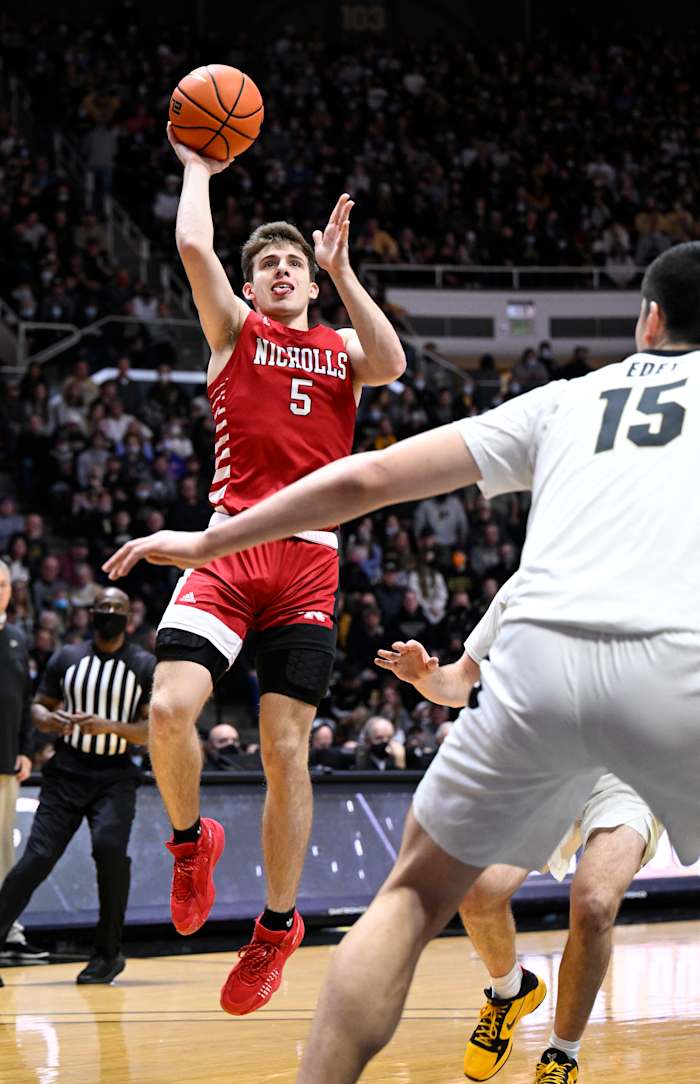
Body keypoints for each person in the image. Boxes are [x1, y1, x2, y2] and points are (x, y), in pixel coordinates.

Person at [106, 241, 700, 1081]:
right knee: (509, 895)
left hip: (542, 664)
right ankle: (510, 997)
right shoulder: (253, 340)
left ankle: (526, 1048)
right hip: (675, 675)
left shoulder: (569, 400)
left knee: (414, 895)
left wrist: (205, 539)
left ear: (648, 320)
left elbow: (369, 476)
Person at [119, 125, 405, 1016]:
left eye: (294, 263)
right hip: (230, 546)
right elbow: (193, 243)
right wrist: (200, 168)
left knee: (287, 752)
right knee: (168, 710)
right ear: (250, 287)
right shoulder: (234, 331)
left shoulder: (340, 352)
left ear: (311, 282)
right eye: (269, 263)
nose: (282, 270)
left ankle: (275, 927)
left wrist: (344, 270)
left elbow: (392, 363)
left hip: (308, 566)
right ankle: (186, 838)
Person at [376, 572, 662, 1082]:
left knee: (594, 904)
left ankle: (561, 1055)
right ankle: (511, 990)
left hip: (631, 774)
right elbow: (463, 681)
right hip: (547, 766)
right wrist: (423, 677)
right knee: (478, 891)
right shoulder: (528, 584)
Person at [0, 588, 153, 984]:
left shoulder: (143, 664)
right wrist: (48, 719)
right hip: (66, 770)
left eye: (116, 610)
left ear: (128, 620)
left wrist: (110, 727)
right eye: (102, 609)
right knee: (37, 857)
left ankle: (107, 954)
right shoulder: (67, 656)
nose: (109, 615)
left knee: (109, 851)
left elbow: (150, 731)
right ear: (90, 614)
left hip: (115, 776)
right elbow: (38, 706)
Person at [0, 561, 45, 963]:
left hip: (6, 764)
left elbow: (25, 700)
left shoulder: (16, 638)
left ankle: (8, 934)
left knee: (4, 854)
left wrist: (27, 749)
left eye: (2, 584)